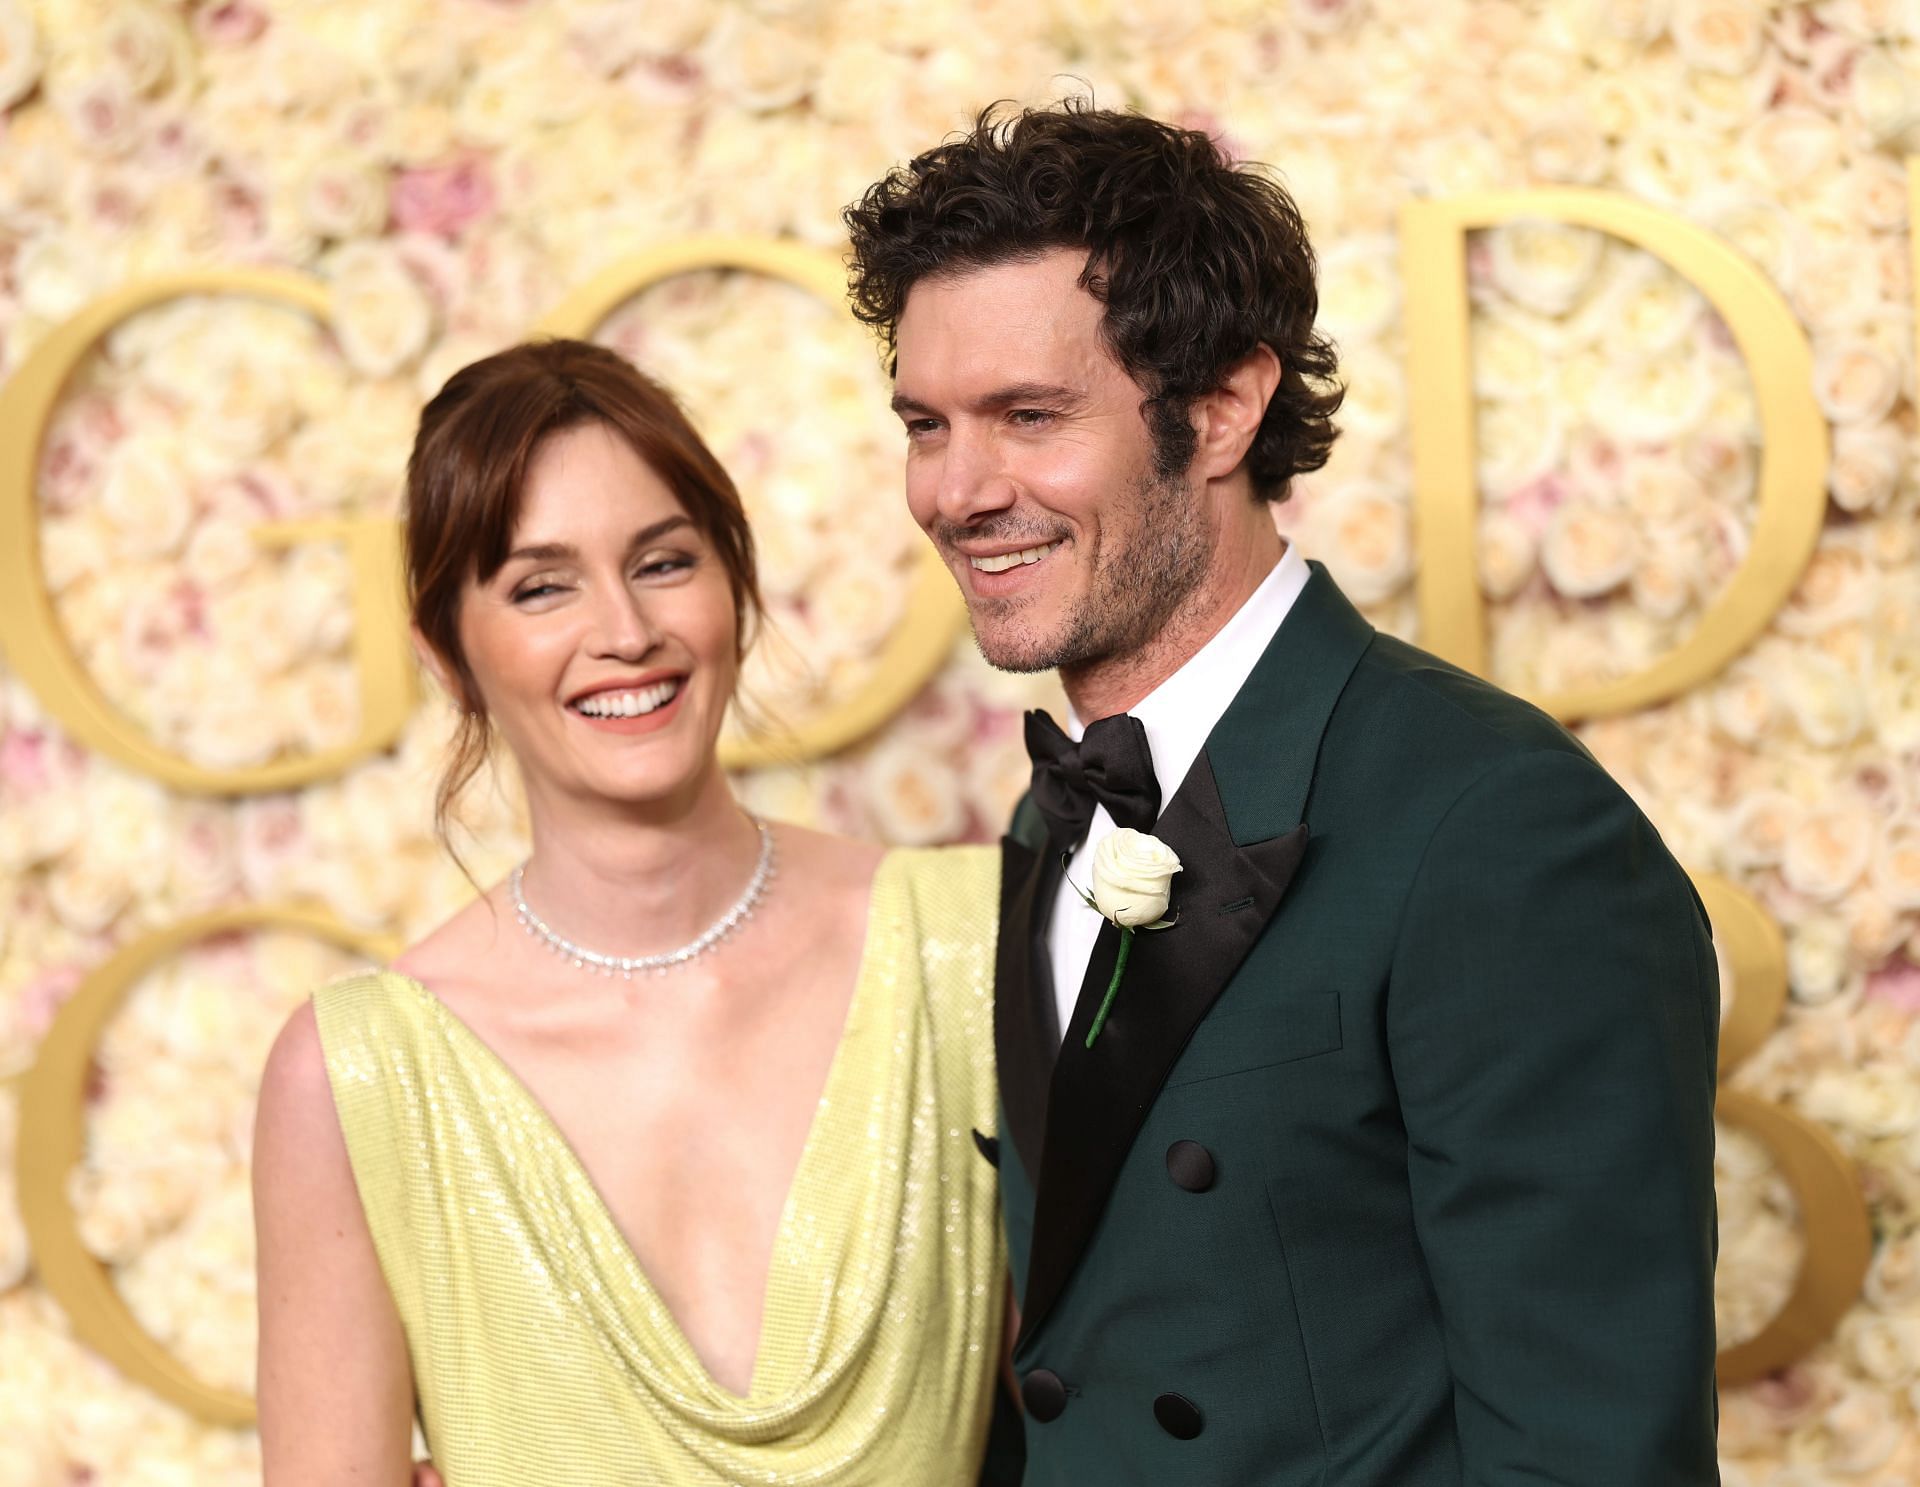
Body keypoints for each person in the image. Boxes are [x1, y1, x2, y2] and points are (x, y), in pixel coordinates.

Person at [843, 102, 1720, 1485]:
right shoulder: (1047, 817)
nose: (958, 490)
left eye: (1028, 415)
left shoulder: (1502, 829)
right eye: (926, 424)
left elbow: (1592, 1453)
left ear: (1227, 406)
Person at [252, 340, 1010, 1486]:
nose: (624, 630)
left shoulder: (972, 945)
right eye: (541, 584)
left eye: (663, 561)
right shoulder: (354, 1078)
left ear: (734, 584)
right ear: (449, 653)